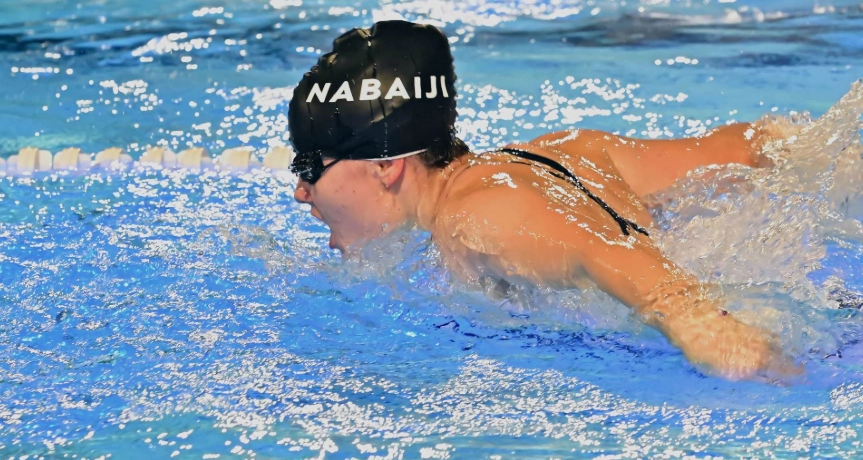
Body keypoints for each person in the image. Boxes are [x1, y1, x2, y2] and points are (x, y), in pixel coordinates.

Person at [287, 20, 802, 382]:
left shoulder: (472, 220)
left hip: (779, 317)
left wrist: (703, 328)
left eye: (310, 167)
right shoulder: (560, 153)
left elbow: (603, 249)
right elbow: (747, 149)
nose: (301, 191)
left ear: (385, 165)